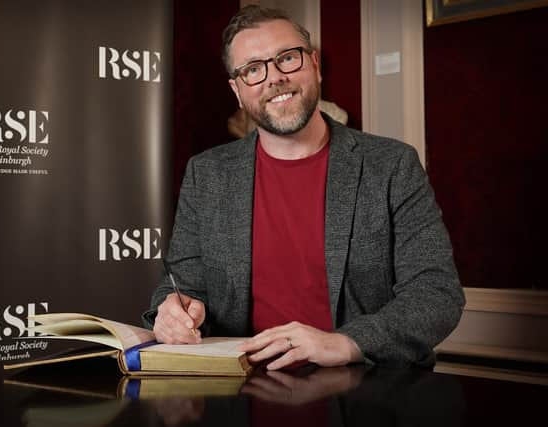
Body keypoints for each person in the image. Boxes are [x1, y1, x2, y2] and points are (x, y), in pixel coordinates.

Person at [142, 5, 465, 369]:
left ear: (314, 64)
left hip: (364, 392)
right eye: (253, 69)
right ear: (237, 90)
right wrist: (173, 310)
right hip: (242, 393)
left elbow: (436, 293)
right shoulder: (207, 174)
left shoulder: (391, 165)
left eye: (287, 58)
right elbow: (182, 287)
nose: (274, 77)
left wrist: (347, 342)